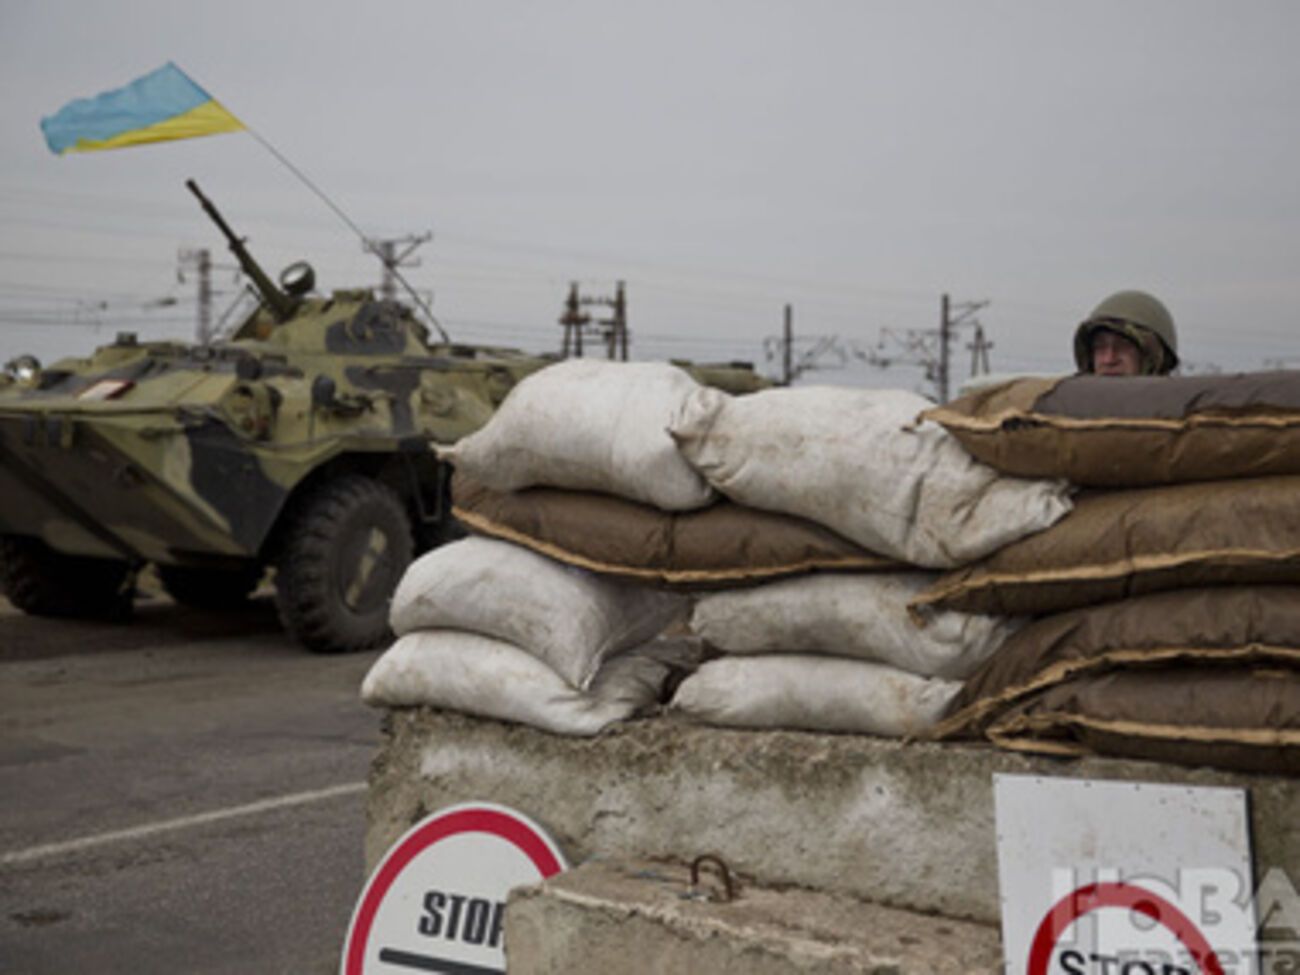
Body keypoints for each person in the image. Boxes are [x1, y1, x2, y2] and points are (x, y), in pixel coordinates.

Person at [1073, 290, 1179, 377]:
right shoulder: (1070, 400)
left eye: (1123, 345)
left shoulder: (1176, 401)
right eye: (1100, 346)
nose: (1109, 359)